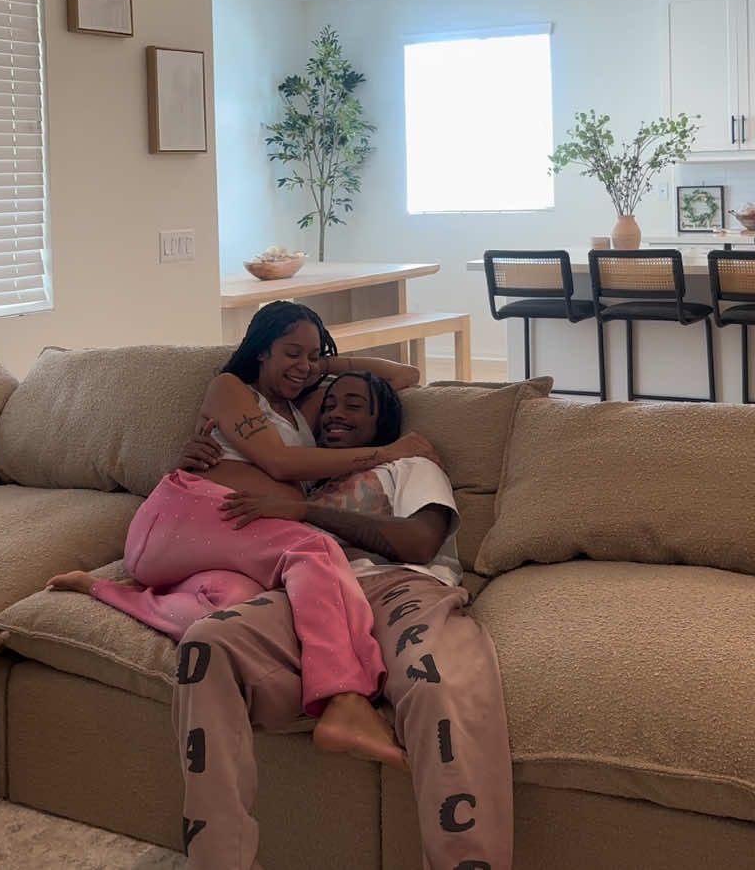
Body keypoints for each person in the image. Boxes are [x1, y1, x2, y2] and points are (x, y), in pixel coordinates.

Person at [48, 301, 434, 769]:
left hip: (220, 550)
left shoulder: (302, 408)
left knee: (235, 611)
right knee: (314, 548)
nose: (304, 366)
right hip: (183, 517)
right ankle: (344, 698)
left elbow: (404, 375)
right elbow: (280, 463)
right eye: (291, 352)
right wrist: (386, 452)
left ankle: (106, 590)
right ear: (260, 351)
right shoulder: (231, 388)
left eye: (313, 355)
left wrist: (321, 364)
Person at [174, 370, 514, 870]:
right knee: (206, 643)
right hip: (310, 594)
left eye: (354, 405)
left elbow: (419, 542)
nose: (335, 413)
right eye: (330, 405)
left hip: (400, 587)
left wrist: (305, 510)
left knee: (439, 684)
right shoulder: (299, 482)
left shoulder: (409, 466)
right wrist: (191, 462)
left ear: (383, 424)